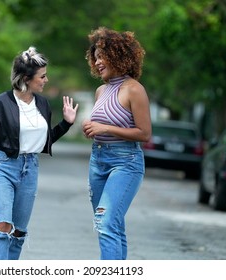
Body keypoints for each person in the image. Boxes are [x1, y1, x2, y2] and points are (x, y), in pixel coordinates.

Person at [0, 46, 78, 260]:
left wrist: (66, 123)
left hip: (30, 169)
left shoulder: (43, 104)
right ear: (27, 78)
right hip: (2, 168)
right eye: (42, 76)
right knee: (3, 226)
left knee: (18, 232)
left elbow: (44, 140)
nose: (46, 80)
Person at [82, 27, 152, 260]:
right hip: (98, 160)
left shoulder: (134, 89)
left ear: (119, 56)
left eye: (103, 56)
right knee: (111, 225)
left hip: (125, 163)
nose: (98, 61)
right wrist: (91, 129)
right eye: (96, 57)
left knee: (105, 222)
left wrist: (105, 128)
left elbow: (144, 133)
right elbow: (102, 124)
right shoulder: (101, 90)